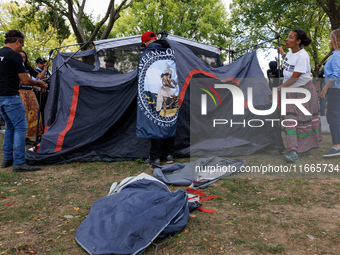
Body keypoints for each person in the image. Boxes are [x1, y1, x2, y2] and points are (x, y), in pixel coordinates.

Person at [0, 30, 48, 172]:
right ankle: (19, 162)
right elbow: (26, 80)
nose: (22, 48)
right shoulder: (14, 55)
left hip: (0, 97)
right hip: (11, 97)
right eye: (22, 44)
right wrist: (40, 84)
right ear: (17, 41)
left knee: (10, 127)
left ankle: (7, 159)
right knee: (21, 128)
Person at [275, 29, 322, 163]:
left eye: (290, 38)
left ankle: (302, 148)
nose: (286, 39)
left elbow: (295, 77)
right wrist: (283, 54)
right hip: (289, 92)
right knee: (289, 121)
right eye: (287, 37)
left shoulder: (303, 56)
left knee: (302, 123)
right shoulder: (290, 53)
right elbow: (289, 64)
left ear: (298, 41)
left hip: (303, 91)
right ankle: (293, 151)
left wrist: (278, 89)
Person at [138, 31, 177, 166]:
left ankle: (155, 157)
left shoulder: (145, 55)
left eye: (144, 45)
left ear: (146, 43)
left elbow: (144, 78)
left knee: (156, 122)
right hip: (173, 92)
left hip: (155, 92)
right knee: (169, 120)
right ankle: (169, 154)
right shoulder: (170, 52)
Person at [320, 28, 340, 157]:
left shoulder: (337, 55)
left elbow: (336, 75)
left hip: (336, 90)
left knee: (332, 116)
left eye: (331, 39)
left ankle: (336, 146)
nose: (329, 42)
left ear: (336, 40)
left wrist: (325, 87)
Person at [19, 51, 44, 145]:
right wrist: (36, 84)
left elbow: (39, 76)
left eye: (24, 57)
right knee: (24, 114)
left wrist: (45, 68)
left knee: (35, 112)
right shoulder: (14, 67)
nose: (22, 59)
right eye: (20, 57)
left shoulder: (28, 68)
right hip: (20, 92)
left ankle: (35, 135)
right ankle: (24, 138)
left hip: (30, 92)